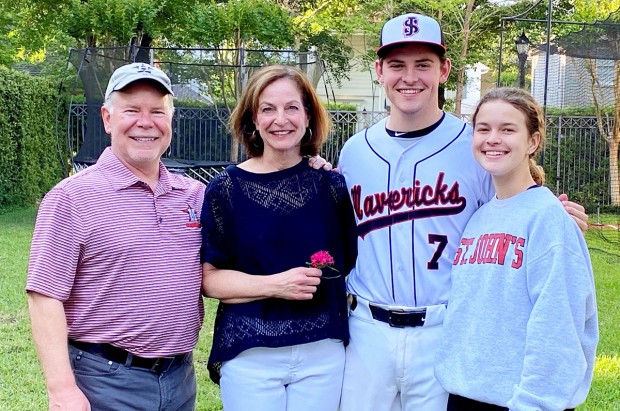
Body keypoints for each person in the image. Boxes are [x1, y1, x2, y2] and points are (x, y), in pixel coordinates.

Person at [336, 13, 590, 411]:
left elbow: (516, 201)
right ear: (379, 70)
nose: (410, 77)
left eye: (423, 64)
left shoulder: (473, 144)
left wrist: (556, 216)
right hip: (366, 329)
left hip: (446, 329)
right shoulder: (353, 152)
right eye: (397, 65)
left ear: (444, 70)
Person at [26, 62, 205, 410]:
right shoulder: (71, 197)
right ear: (107, 118)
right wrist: (62, 389)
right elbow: (44, 296)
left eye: (157, 111)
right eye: (132, 111)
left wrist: (307, 163)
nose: (145, 122)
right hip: (103, 381)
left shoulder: (194, 195)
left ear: (170, 120)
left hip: (180, 378)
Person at [199, 65, 357, 411]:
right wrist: (275, 285)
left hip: (322, 353)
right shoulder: (225, 190)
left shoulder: (331, 186)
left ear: (308, 116)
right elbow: (209, 281)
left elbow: (346, 263)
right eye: (267, 109)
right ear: (253, 119)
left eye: (291, 108)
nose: (279, 119)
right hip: (251, 352)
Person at [434, 87, 599, 410]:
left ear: (533, 141)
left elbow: (558, 329)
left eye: (507, 129)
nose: (493, 139)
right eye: (484, 129)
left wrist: (533, 403)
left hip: (522, 402)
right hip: (465, 396)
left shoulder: (548, 219)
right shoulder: (479, 218)